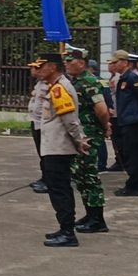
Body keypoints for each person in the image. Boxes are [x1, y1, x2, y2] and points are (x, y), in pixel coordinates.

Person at [35, 53, 87, 247]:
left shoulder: (59, 89)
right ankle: (64, 227)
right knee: (59, 189)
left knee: (60, 190)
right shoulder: (55, 86)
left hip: (59, 147)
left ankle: (68, 232)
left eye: (42, 66)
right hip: (55, 146)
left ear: (52, 67)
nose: (38, 70)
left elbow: (70, 119)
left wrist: (79, 140)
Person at [64, 48, 109, 234]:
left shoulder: (88, 82)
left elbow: (102, 109)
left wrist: (105, 126)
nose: (66, 64)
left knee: (89, 177)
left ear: (81, 63)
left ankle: (98, 219)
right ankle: (90, 214)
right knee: (81, 177)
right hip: (81, 135)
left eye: (70, 61)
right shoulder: (76, 81)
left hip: (89, 136)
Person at [107, 50, 138, 197]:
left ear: (124, 62)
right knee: (137, 153)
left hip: (134, 122)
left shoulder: (131, 78)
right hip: (128, 120)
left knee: (135, 155)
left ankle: (135, 185)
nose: (113, 65)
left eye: (115, 62)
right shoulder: (123, 78)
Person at [25, 58, 48, 194]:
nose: (32, 70)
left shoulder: (50, 84)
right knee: (41, 153)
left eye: (35, 67)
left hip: (44, 124)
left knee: (46, 154)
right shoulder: (40, 83)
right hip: (37, 122)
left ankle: (49, 181)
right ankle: (44, 177)